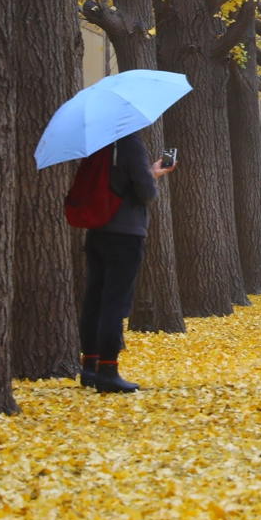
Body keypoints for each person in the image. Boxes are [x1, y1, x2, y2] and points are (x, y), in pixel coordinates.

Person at [79, 133, 174, 393]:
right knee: (115, 302)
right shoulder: (130, 142)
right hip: (125, 233)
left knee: (94, 299)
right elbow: (145, 192)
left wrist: (149, 172)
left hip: (98, 231)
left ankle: (90, 366)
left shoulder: (98, 143)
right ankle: (108, 370)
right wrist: (152, 177)